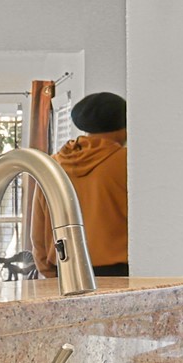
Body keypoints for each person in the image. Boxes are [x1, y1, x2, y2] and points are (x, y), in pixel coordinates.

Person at [49, 92, 129, 277]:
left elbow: (39, 222)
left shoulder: (54, 164)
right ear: (123, 124)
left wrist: (48, 270)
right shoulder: (126, 162)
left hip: (65, 267)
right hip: (118, 271)